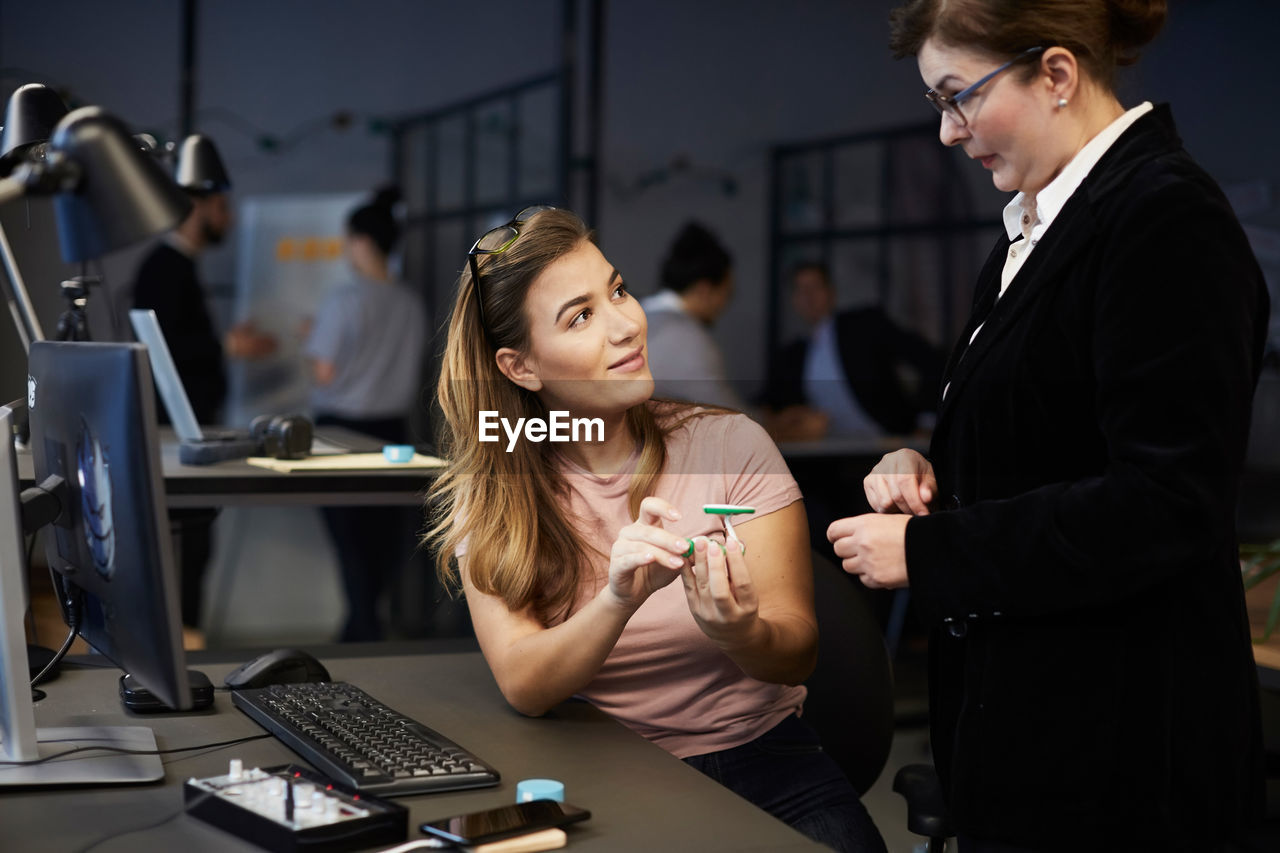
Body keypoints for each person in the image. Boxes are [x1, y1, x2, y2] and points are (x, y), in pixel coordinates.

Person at [828, 2, 1269, 850]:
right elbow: (1049, 437)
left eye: (959, 97)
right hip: (1031, 727)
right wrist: (928, 465)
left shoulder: (1164, 218)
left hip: (1122, 750)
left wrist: (929, 553)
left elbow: (1165, 501)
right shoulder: (1035, 226)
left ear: (1057, 74)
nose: (950, 133)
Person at [425, 206, 886, 852]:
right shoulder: (502, 488)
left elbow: (797, 651)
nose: (625, 325)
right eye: (580, 316)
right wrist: (619, 596)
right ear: (520, 367)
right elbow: (524, 682)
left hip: (769, 761)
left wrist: (740, 630)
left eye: (617, 290)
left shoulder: (730, 443)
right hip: (606, 769)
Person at [132, 133, 274, 631]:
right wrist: (228, 348)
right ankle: (181, 640)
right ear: (199, 206)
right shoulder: (165, 268)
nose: (229, 219)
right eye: (223, 207)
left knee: (195, 544)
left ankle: (186, 637)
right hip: (173, 435)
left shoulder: (177, 268)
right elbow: (163, 350)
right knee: (185, 546)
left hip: (189, 430)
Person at [304, 186, 428, 642]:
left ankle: (359, 634)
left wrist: (308, 338)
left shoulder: (345, 299)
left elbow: (323, 371)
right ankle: (363, 632)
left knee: (350, 547)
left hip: (341, 432)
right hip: (395, 432)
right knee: (380, 544)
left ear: (360, 241)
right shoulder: (411, 302)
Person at [761, 261, 943, 442]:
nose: (808, 297)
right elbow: (771, 402)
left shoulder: (863, 325)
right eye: (800, 290)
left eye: (815, 287)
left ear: (831, 293)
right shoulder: (792, 355)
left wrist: (926, 421)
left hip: (889, 441)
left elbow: (930, 360)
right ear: (794, 300)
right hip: (829, 454)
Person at [640, 222, 746, 410]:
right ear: (705, 289)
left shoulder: (640, 313)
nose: (725, 305)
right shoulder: (684, 336)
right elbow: (727, 414)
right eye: (726, 294)